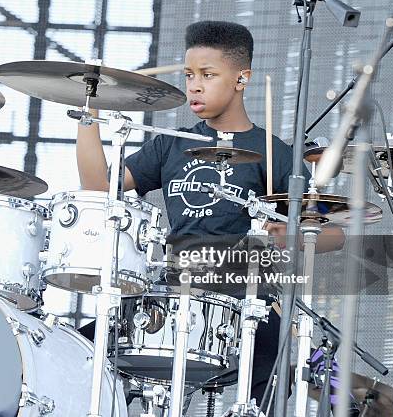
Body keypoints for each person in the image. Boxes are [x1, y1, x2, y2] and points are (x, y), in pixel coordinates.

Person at [76, 20, 349, 412]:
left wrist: (289, 234)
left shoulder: (274, 152)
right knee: (81, 347)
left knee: (275, 363)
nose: (194, 85)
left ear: (241, 78)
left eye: (208, 75)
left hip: (243, 303)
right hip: (172, 298)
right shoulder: (172, 144)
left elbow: (333, 234)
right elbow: (100, 188)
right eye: (189, 75)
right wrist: (91, 112)